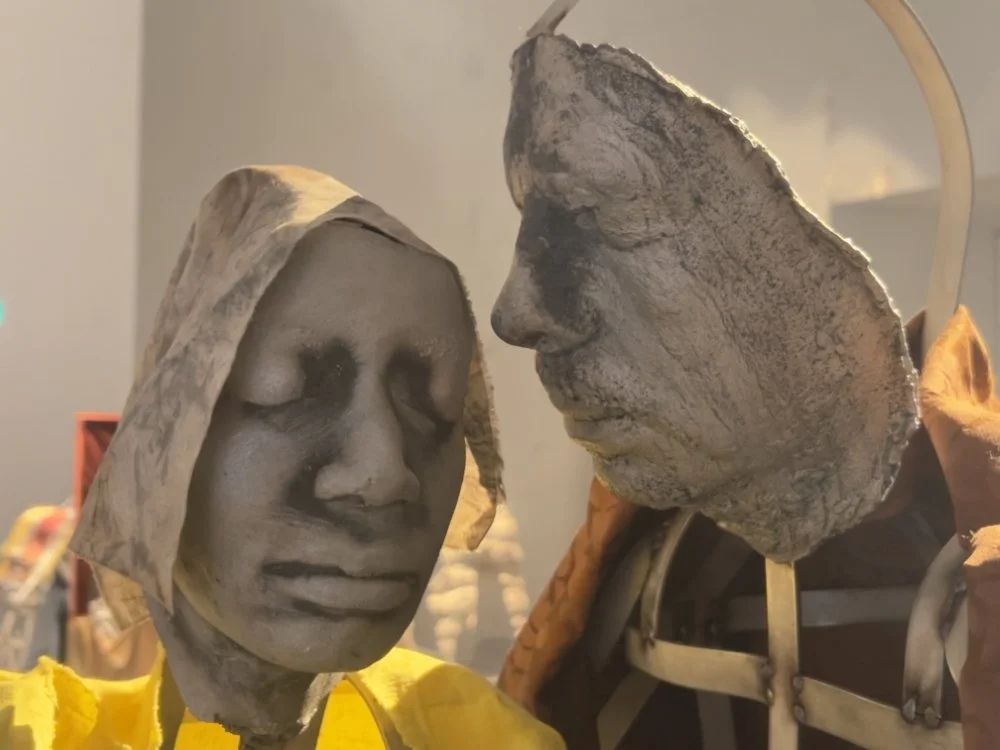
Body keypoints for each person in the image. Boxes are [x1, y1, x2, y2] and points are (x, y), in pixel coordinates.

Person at [489, 9, 998, 750]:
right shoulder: (649, 561)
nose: (514, 314)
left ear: (786, 286)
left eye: (595, 213)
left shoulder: (961, 566)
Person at [0, 165, 564, 750]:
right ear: (164, 439)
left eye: (433, 404)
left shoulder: (480, 734)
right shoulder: (35, 729)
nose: (384, 472)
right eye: (288, 393)